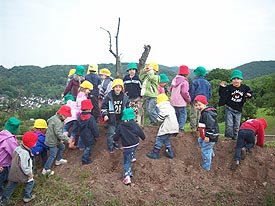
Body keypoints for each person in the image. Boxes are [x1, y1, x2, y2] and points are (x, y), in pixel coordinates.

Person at [0, 132, 38, 204]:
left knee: (11, 185)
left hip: (13, 171)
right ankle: (27, 197)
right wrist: (29, 174)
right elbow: (24, 166)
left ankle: (3, 200)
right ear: (31, 144)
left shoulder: (18, 148)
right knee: (31, 181)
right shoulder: (25, 153)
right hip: (21, 172)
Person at [112, 108, 146, 185]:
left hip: (127, 146)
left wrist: (114, 140)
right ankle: (133, 157)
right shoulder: (135, 125)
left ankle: (127, 176)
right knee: (132, 149)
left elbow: (116, 136)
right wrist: (143, 138)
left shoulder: (121, 126)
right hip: (135, 143)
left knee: (126, 161)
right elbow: (140, 133)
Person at [218, 70, 253, 140]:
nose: (236, 80)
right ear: (231, 80)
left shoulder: (244, 88)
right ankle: (228, 137)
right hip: (229, 108)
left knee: (237, 125)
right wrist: (221, 87)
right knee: (229, 124)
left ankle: (235, 138)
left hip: (238, 110)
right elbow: (222, 94)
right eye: (234, 79)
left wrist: (249, 95)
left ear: (241, 80)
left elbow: (250, 92)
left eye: (238, 79)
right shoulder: (229, 87)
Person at [101, 79, 130, 153]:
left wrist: (126, 117)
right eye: (116, 87)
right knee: (111, 133)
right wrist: (105, 114)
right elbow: (104, 107)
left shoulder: (125, 97)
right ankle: (110, 147)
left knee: (119, 132)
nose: (118, 89)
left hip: (121, 118)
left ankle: (117, 144)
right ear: (113, 88)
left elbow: (127, 108)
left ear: (122, 88)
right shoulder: (109, 97)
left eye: (119, 87)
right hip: (112, 119)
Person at [146, 94, 179, 159]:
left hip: (168, 126)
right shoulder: (170, 106)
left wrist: (158, 119)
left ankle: (155, 153)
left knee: (159, 138)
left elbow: (162, 115)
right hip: (174, 126)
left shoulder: (164, 106)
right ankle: (169, 152)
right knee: (166, 139)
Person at [42, 105, 72, 176]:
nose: (67, 117)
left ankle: (58, 160)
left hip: (54, 139)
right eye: (66, 116)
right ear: (61, 114)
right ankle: (45, 169)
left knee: (62, 147)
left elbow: (48, 120)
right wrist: (67, 139)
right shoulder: (58, 122)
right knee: (53, 154)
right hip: (52, 141)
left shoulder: (54, 117)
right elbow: (58, 133)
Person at [194, 95, 219, 171]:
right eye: (196, 105)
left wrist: (208, 136)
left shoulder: (207, 114)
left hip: (210, 135)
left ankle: (206, 166)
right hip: (204, 135)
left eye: (200, 105)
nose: (198, 107)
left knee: (205, 149)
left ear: (205, 104)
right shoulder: (204, 112)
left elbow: (210, 125)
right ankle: (211, 154)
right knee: (200, 141)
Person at [0, 117, 20, 196]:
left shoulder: (1, 134)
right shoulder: (10, 139)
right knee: (3, 180)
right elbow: (14, 153)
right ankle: (2, 197)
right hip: (3, 166)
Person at [189, 66, 212, 133]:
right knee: (202, 115)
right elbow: (210, 93)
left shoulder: (194, 82)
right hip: (204, 102)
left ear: (197, 74)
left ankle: (193, 129)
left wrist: (191, 100)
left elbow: (192, 92)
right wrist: (206, 100)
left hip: (195, 101)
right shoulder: (207, 83)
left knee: (194, 114)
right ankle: (200, 128)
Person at [78, 99, 99, 165]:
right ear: (89, 109)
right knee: (88, 147)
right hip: (89, 135)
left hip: (82, 134)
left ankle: (87, 156)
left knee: (86, 146)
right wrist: (97, 136)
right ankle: (85, 159)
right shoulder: (91, 117)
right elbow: (94, 128)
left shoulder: (79, 117)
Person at [170, 65, 191, 131]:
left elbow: (170, 89)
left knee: (176, 115)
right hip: (181, 102)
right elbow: (184, 92)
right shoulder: (185, 82)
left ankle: (174, 127)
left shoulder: (174, 80)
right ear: (187, 74)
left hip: (173, 101)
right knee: (182, 115)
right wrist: (188, 99)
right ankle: (181, 128)